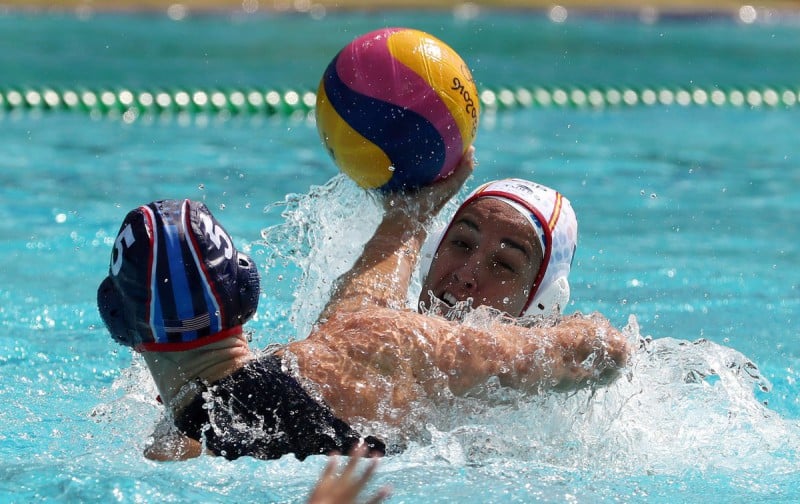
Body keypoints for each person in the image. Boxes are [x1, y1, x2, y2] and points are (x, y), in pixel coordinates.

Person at [97, 148, 629, 462]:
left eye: (503, 264)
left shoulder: (165, 444)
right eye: (462, 244)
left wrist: (404, 217)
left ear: (119, 324)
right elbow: (601, 351)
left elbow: (357, 320)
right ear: (247, 292)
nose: (468, 276)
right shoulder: (378, 351)